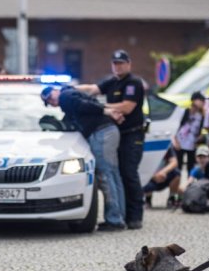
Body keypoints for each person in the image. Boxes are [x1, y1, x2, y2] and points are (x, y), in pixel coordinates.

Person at [41, 85, 126, 231]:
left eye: (50, 97)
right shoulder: (71, 96)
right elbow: (78, 111)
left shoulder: (65, 96)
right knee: (113, 175)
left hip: (101, 134)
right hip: (108, 131)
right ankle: (118, 216)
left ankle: (114, 220)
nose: (52, 102)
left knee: (105, 176)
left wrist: (105, 111)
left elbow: (83, 105)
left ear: (56, 91)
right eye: (48, 102)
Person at [76, 49, 145, 230]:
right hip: (118, 134)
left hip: (132, 134)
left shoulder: (133, 83)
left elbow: (127, 107)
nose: (118, 66)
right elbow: (92, 89)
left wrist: (100, 107)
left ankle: (136, 215)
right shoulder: (112, 81)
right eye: (115, 63)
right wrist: (69, 88)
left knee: (129, 174)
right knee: (119, 174)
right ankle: (124, 215)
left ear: (129, 64)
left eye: (121, 63)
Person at [172, 91, 205, 176]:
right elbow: (175, 126)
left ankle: (188, 185)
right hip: (180, 142)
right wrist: (175, 141)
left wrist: (199, 139)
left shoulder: (201, 115)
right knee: (177, 167)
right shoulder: (184, 111)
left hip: (192, 144)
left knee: (191, 166)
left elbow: (201, 130)